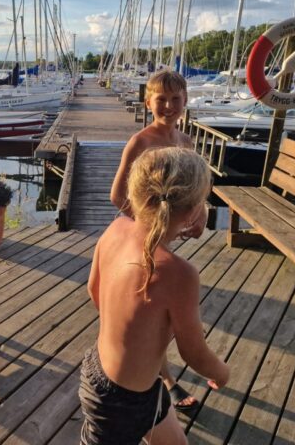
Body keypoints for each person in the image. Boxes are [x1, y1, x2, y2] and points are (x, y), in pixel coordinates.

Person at [80, 147, 229, 445]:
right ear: (193, 211)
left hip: (109, 372)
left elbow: (94, 291)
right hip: (121, 402)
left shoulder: (116, 228)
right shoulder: (179, 274)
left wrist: (131, 332)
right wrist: (222, 373)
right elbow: (194, 353)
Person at [109, 69, 208, 413]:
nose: (168, 105)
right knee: (154, 316)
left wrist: (200, 214)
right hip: (143, 241)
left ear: (185, 101)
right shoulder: (141, 142)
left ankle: (159, 373)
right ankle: (164, 379)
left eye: (175, 99)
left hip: (168, 241)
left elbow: (196, 189)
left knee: (166, 311)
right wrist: (151, 225)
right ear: (147, 102)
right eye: (161, 99)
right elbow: (117, 195)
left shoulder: (186, 142)